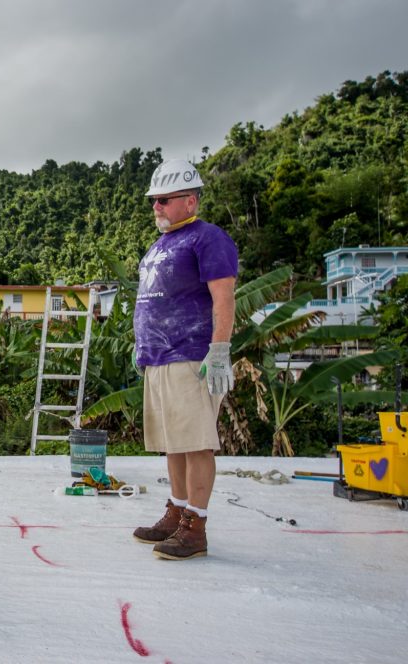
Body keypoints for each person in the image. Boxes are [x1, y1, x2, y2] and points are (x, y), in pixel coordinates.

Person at [131, 159, 238, 560]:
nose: (155, 206)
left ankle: (195, 526)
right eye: (153, 200)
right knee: (173, 444)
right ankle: (176, 512)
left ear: (190, 201)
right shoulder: (161, 243)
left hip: (192, 354)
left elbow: (223, 296)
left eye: (163, 200)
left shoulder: (208, 238)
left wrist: (220, 349)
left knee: (196, 444)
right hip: (158, 357)